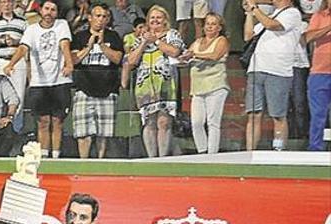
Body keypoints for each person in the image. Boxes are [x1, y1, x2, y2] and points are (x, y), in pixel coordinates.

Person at [6, 0, 73, 158]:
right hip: (39, 83)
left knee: (57, 121)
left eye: (53, 10)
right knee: (42, 122)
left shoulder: (62, 25)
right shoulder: (31, 29)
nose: (49, 12)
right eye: (47, 9)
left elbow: (64, 45)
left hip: (60, 81)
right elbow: (23, 47)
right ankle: (43, 156)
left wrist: (69, 64)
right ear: (41, 10)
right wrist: (11, 64)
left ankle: (56, 156)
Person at [242, 0, 301, 151]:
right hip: (257, 68)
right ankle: (250, 152)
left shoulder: (292, 14)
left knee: (278, 115)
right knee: (253, 114)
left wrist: (255, 7)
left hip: (278, 70)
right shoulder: (269, 15)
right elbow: (248, 36)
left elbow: (272, 25)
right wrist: (249, 13)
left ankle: (278, 151)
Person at [127, 5, 184, 157]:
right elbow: (131, 61)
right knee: (149, 122)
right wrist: (144, 43)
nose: (155, 20)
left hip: (165, 83)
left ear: (165, 20)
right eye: (152, 18)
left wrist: (157, 42)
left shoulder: (172, 34)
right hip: (145, 85)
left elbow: (175, 51)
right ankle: (151, 158)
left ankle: (163, 158)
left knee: (164, 122)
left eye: (159, 17)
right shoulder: (140, 38)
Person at [70, 3, 123, 159]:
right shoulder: (79, 36)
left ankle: (100, 163)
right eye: (98, 16)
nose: (101, 20)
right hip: (84, 90)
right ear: (90, 17)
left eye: (104, 16)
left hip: (108, 90)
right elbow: (73, 60)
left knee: (104, 133)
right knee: (83, 133)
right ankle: (83, 164)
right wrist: (89, 47)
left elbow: (118, 58)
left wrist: (101, 45)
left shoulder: (113, 36)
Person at [181, 12, 229, 154]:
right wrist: (182, 58)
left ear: (219, 27)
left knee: (213, 122)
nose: (209, 26)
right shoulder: (197, 42)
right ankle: (202, 151)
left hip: (216, 85)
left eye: (213, 24)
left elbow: (214, 55)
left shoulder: (221, 40)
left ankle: (212, 154)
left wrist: (194, 55)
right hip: (198, 87)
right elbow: (185, 57)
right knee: (196, 123)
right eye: (207, 23)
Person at [0, 0, 28, 133]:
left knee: (19, 95)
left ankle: (16, 129)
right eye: (3, 2)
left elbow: (28, 42)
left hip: (17, 61)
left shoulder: (23, 21)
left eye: (9, 2)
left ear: (14, 4)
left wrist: (15, 41)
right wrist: (3, 41)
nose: (7, 5)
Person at [305, 0, 331, 151]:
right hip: (320, 73)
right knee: (318, 114)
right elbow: (308, 37)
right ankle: (315, 148)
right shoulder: (319, 16)